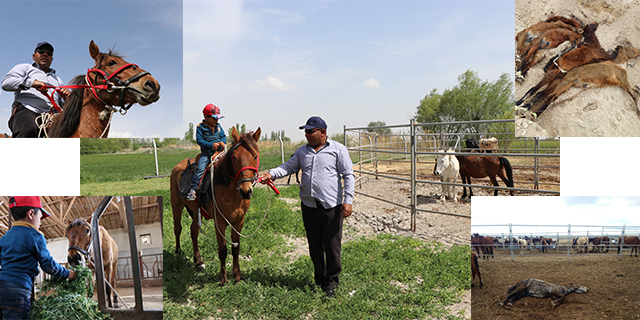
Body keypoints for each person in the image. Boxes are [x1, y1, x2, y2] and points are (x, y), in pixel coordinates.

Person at [258, 116, 355, 298]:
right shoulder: (302, 152)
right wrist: (271, 174)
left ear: (323, 132)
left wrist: (348, 200)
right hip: (309, 206)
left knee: (332, 246)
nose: (307, 134)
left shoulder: (338, 150)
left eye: (311, 131)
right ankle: (320, 279)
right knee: (314, 245)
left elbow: (348, 175)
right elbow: (288, 167)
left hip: (331, 206)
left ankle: (332, 282)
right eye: (306, 131)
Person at [0, 196, 76, 319]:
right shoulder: (35, 236)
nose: (40, 223)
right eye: (40, 218)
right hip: (19, 290)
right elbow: (48, 266)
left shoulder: (4, 237)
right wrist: (68, 273)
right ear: (31, 214)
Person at [1, 41, 70, 137]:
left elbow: (62, 105)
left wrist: (67, 99)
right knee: (27, 130)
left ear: (52, 59)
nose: (45, 54)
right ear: (34, 56)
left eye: (49, 53)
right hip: (28, 110)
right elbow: (6, 83)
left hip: (53, 117)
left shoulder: (58, 80)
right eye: (41, 51)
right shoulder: (25, 68)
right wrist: (32, 83)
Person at [188, 103, 227, 201]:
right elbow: (199, 140)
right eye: (214, 118)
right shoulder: (200, 127)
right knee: (200, 168)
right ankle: (193, 190)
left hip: (219, 153)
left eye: (217, 118)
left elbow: (223, 136)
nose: (216, 120)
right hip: (207, 154)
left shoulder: (218, 126)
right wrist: (211, 145)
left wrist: (223, 142)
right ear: (206, 117)